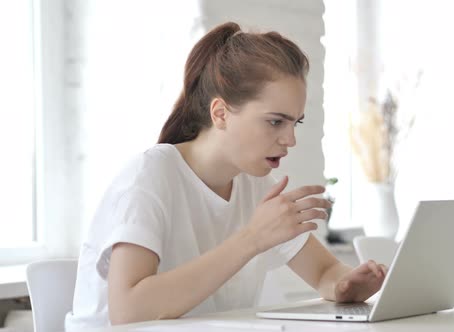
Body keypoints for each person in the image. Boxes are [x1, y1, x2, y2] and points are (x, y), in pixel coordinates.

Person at [65, 22, 387, 330]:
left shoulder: (256, 184)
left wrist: (347, 284)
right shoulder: (150, 175)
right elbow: (129, 311)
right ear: (220, 114)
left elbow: (325, 272)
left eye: (295, 123)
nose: (290, 139)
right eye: (276, 122)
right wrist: (252, 239)